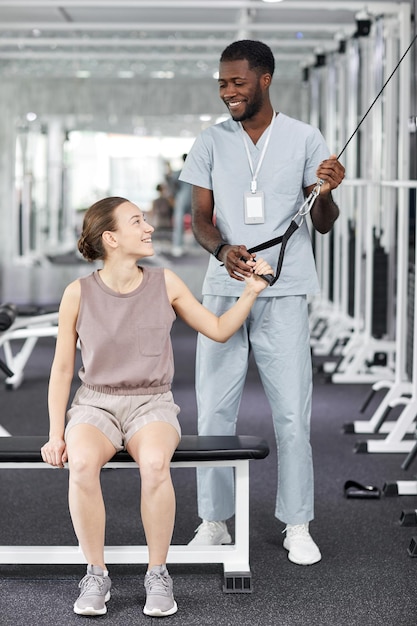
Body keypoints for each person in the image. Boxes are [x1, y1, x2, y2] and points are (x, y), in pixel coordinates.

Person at [40, 195, 273, 618]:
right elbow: (61, 369)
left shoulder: (165, 282)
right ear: (111, 238)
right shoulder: (77, 293)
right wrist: (57, 433)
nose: (149, 227)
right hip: (95, 404)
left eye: (145, 220)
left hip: (152, 402)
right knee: (81, 464)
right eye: (137, 221)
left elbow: (218, 330)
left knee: (153, 465)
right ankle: (95, 573)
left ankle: (158, 573)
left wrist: (251, 291)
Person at [179, 40, 345, 565]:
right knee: (215, 409)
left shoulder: (303, 138)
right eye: (222, 83)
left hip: (286, 286)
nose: (228, 91)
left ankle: (297, 522)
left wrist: (329, 192)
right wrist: (223, 248)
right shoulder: (210, 140)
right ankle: (213, 521)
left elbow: (322, 221)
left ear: (265, 80)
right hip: (224, 288)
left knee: (292, 412)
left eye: (237, 82)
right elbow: (200, 220)